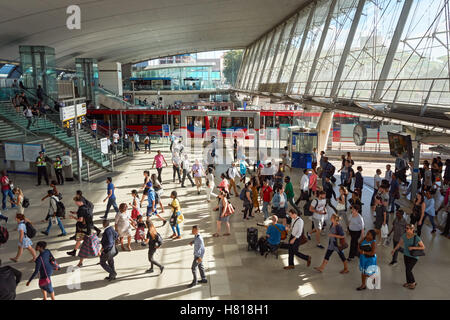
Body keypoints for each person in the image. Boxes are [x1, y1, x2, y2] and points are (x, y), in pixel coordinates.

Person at [392, 224, 425, 289]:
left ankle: (413, 283)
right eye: (406, 228)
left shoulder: (416, 237)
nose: (406, 229)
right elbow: (399, 243)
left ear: (412, 229)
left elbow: (423, 247)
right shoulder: (404, 236)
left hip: (414, 257)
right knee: (407, 269)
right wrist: (394, 249)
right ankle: (408, 282)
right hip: (406, 255)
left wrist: (413, 247)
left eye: (407, 228)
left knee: (408, 270)